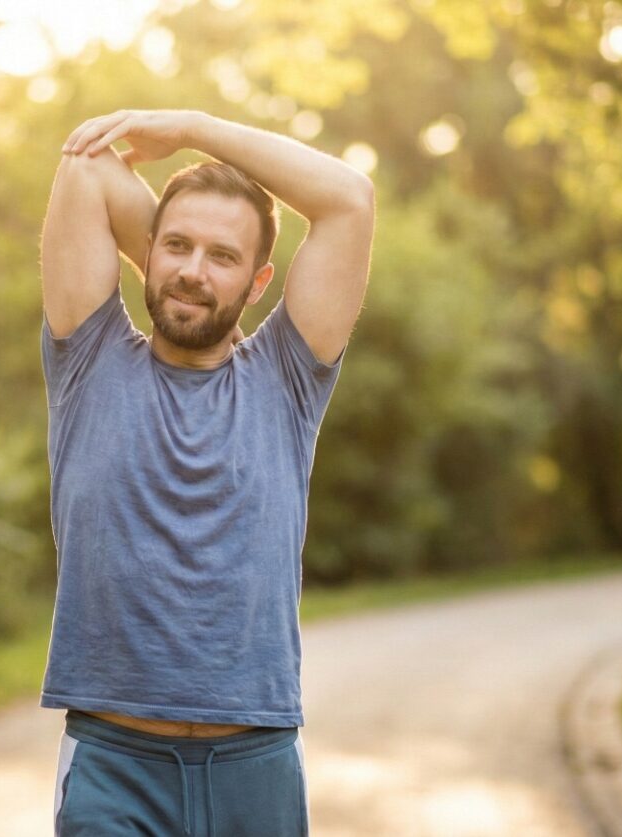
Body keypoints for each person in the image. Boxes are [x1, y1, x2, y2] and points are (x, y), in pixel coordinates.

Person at [39, 109, 375, 836]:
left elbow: (348, 198)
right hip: (114, 765)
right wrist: (187, 261)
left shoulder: (287, 377)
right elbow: (86, 163)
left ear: (259, 284)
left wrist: (190, 127)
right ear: (146, 251)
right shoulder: (87, 358)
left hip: (256, 769)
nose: (192, 269)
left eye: (223, 257)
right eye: (176, 246)